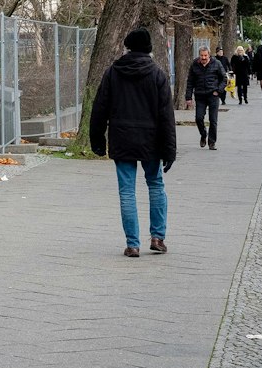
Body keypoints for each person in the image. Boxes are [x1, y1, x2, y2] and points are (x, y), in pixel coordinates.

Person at [89, 27, 179, 257]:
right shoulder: (157, 75)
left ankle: (132, 244)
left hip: (122, 138)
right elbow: (166, 116)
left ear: (128, 47)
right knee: (156, 185)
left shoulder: (113, 73)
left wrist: (97, 139)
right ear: (149, 48)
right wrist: (170, 150)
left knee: (127, 191)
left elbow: (100, 108)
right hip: (151, 140)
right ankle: (157, 237)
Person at [183, 44, 227, 150]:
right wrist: (188, 97)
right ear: (199, 55)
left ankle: (212, 142)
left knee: (213, 120)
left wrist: (218, 90)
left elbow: (224, 79)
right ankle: (203, 134)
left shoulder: (216, 63)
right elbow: (190, 82)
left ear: (209, 55)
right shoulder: (194, 64)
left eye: (205, 55)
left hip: (213, 95)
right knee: (198, 118)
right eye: (201, 55)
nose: (203, 58)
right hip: (200, 96)